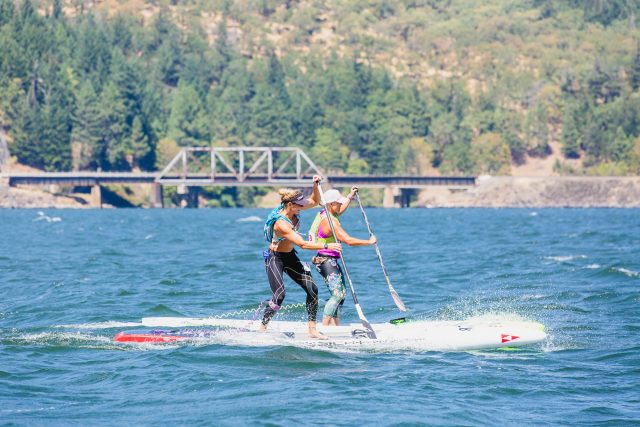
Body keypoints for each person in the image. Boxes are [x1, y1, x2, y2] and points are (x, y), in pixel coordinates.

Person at [261, 175, 342, 339]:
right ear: (290, 205)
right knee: (280, 295)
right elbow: (303, 244)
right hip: (275, 258)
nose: (302, 208)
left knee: (312, 289)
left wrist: (315, 184)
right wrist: (327, 245)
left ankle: (312, 329)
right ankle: (263, 325)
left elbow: (313, 200)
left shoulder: (293, 206)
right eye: (299, 206)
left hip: (290, 256)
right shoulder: (281, 224)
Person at [308, 187, 376, 326]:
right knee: (338, 295)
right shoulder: (330, 221)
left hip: (326, 260)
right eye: (338, 202)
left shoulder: (324, 213)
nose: (340, 204)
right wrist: (369, 242)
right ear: (331, 204)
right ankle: (324, 328)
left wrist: (350, 196)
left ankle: (335, 326)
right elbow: (349, 240)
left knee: (340, 296)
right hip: (326, 261)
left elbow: (341, 208)